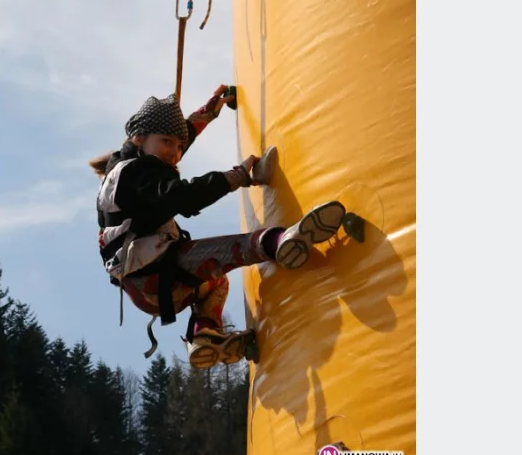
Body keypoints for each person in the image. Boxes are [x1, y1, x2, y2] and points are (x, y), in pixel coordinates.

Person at [90, 85, 346, 368]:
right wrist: (235, 177)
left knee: (216, 283)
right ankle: (278, 242)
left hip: (149, 285)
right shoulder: (137, 177)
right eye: (167, 143)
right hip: (156, 276)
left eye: (177, 146)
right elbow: (184, 197)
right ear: (139, 139)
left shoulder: (130, 167)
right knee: (225, 252)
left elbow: (175, 140)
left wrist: (209, 112)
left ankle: (204, 336)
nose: (174, 153)